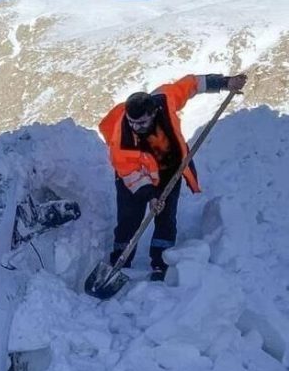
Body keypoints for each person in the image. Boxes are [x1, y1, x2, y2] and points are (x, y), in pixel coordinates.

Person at [98, 73, 247, 280]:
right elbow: (129, 172)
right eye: (133, 123)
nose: (137, 128)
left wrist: (224, 82)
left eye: (141, 123)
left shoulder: (165, 100)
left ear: (153, 113)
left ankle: (161, 263)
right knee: (129, 218)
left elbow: (191, 84)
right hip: (133, 178)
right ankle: (120, 259)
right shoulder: (121, 139)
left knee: (166, 218)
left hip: (169, 170)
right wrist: (150, 195)